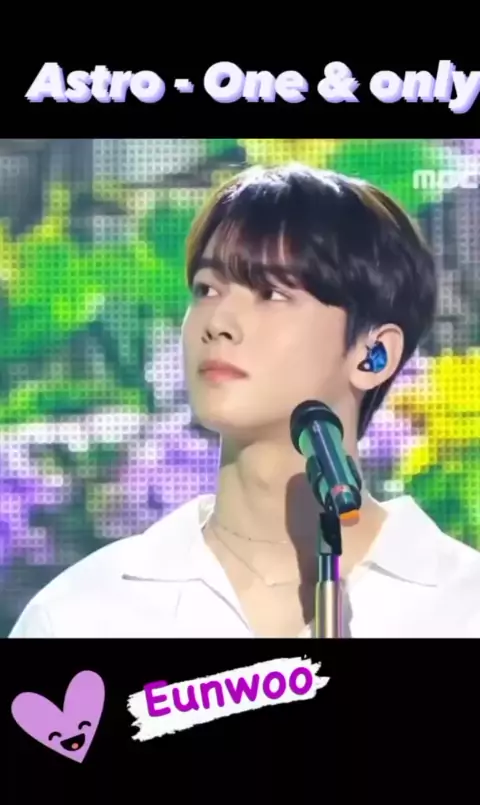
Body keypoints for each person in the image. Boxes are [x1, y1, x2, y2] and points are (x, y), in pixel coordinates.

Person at [9, 163, 480, 639]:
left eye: (271, 293)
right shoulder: (80, 615)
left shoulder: (463, 609)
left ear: (373, 354)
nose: (218, 322)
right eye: (207, 289)